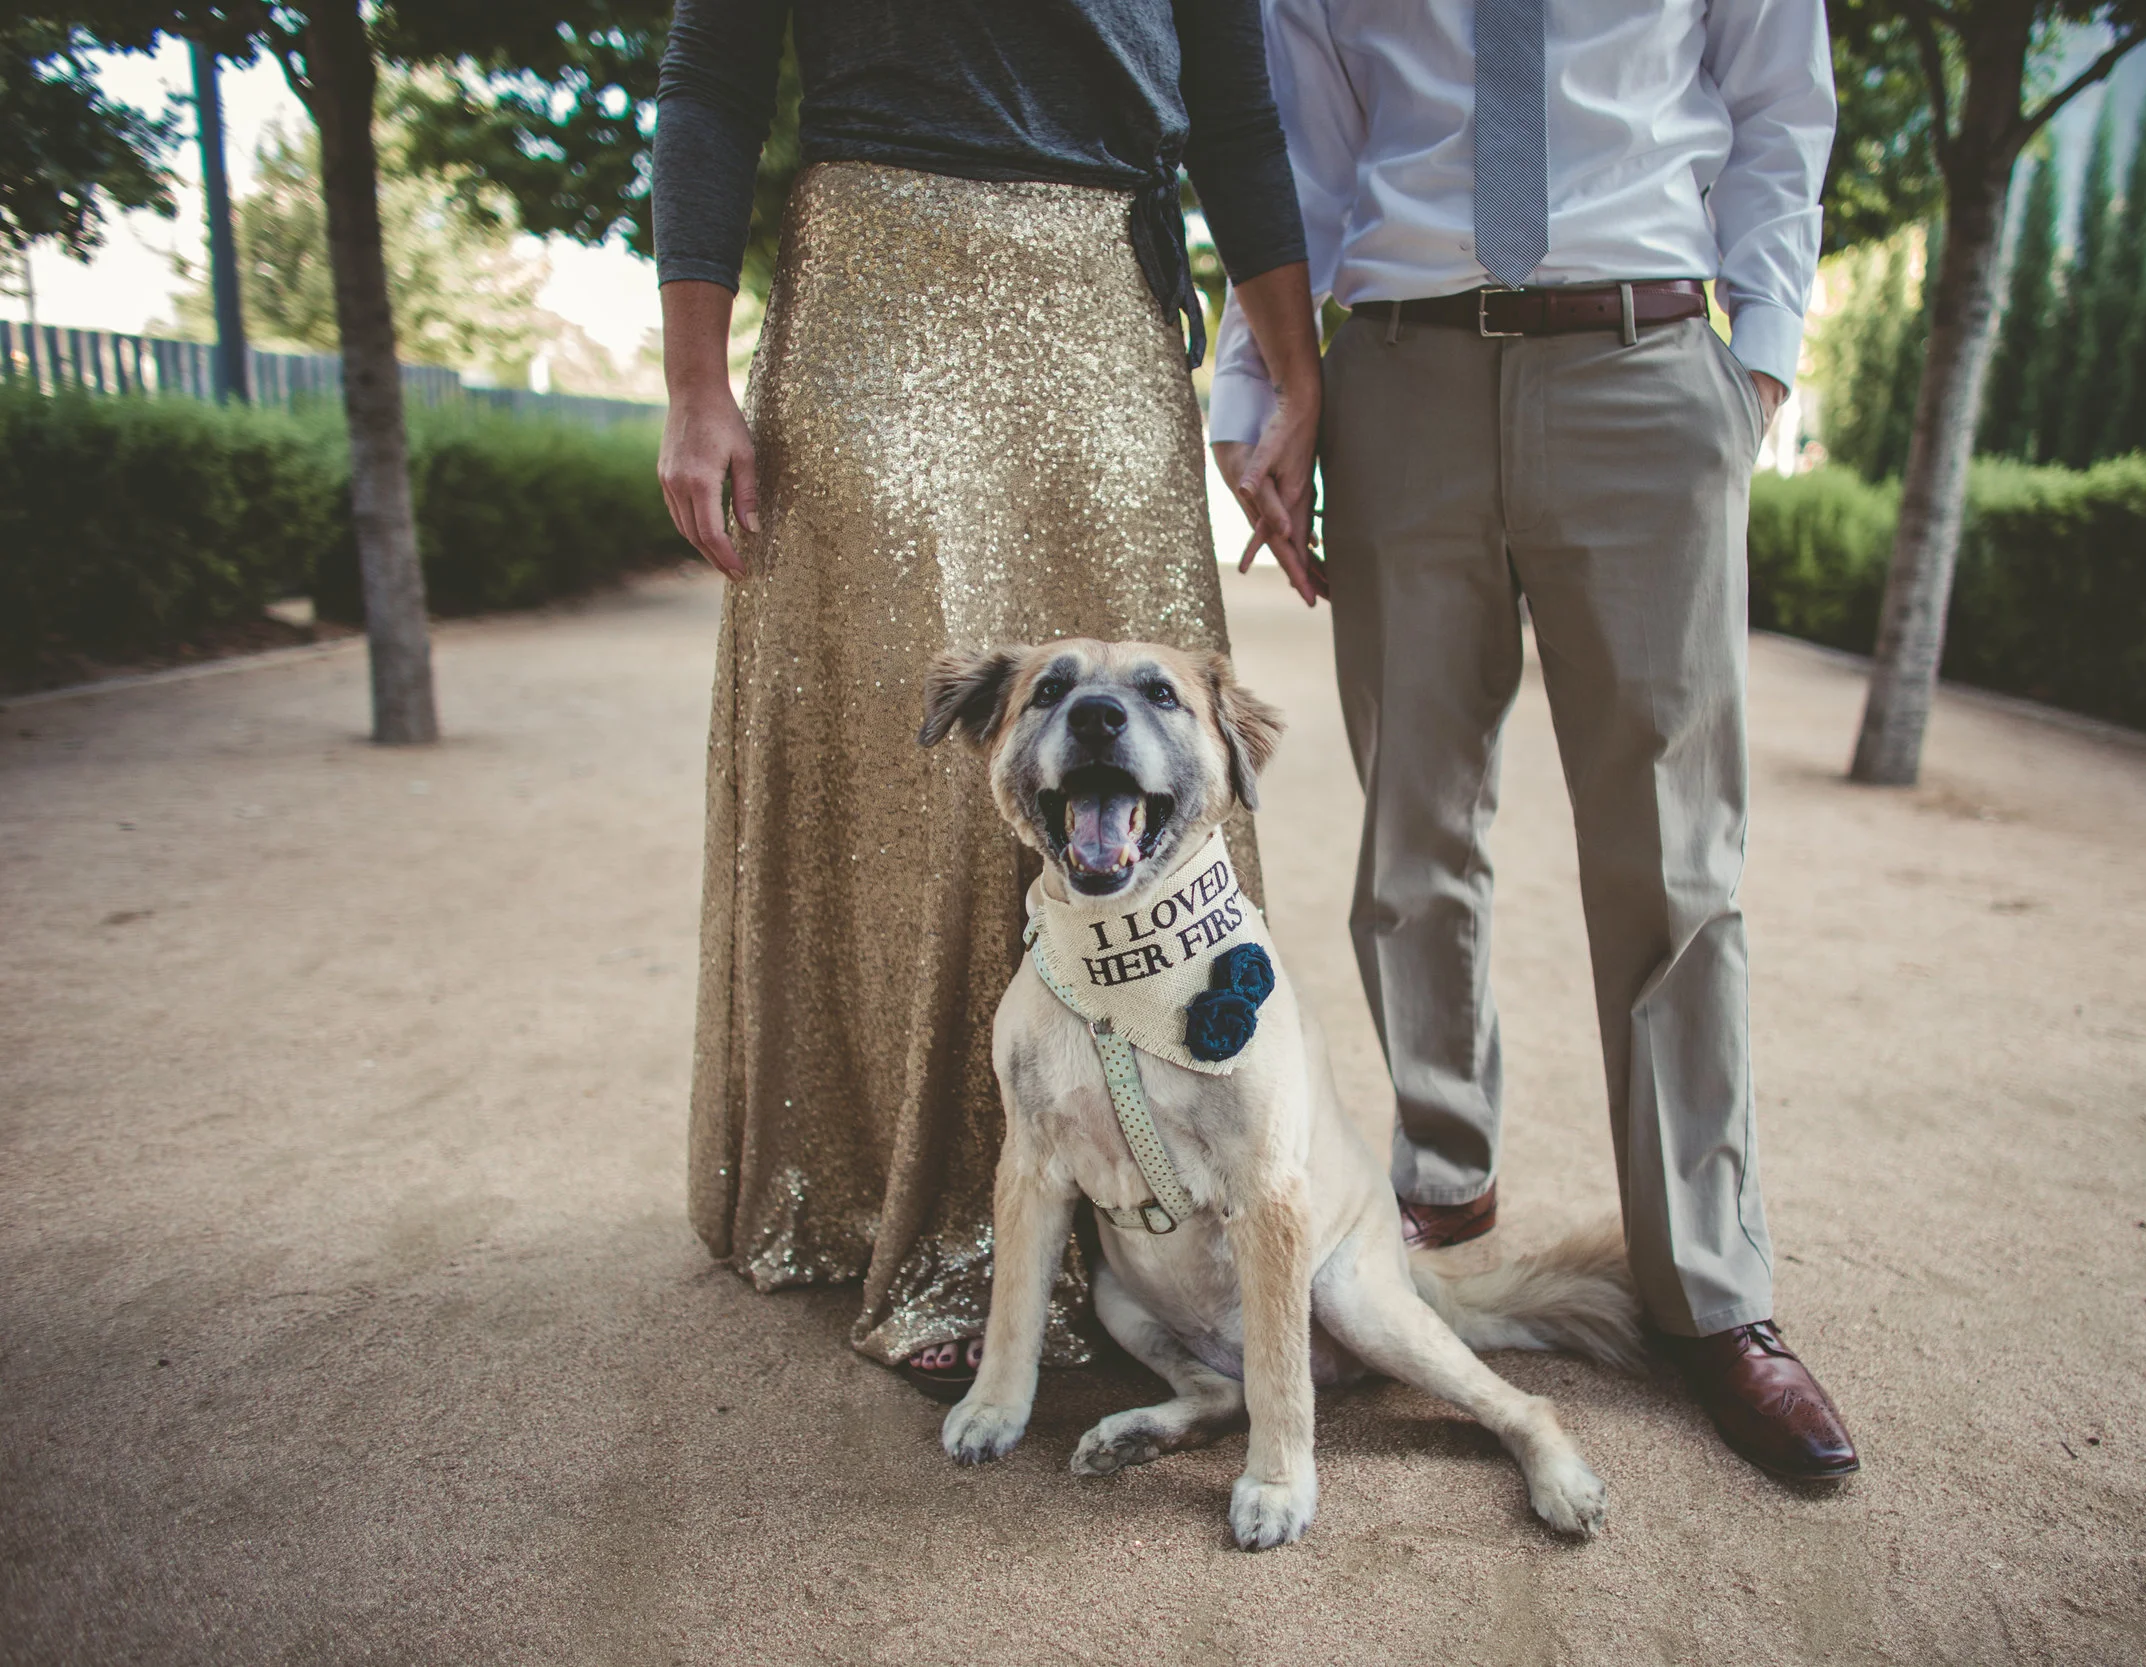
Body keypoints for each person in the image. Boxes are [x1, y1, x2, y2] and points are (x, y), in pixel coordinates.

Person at [1208, 0, 1859, 1476]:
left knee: (1674, 863)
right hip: (1399, 381)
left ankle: (1709, 1289)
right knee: (1412, 833)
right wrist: (1259, 391)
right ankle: (1442, 1195)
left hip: (1643, 363)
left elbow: (1776, 112)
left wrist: (1752, 367)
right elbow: (1305, 163)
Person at [653, 0, 1324, 1399]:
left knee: (1141, 748)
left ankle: (1174, 1193)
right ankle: (920, 1210)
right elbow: (712, 73)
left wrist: (1296, 375)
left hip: (1105, 308)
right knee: (911, 781)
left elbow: (1236, 111)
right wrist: (694, 380)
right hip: (871, 289)